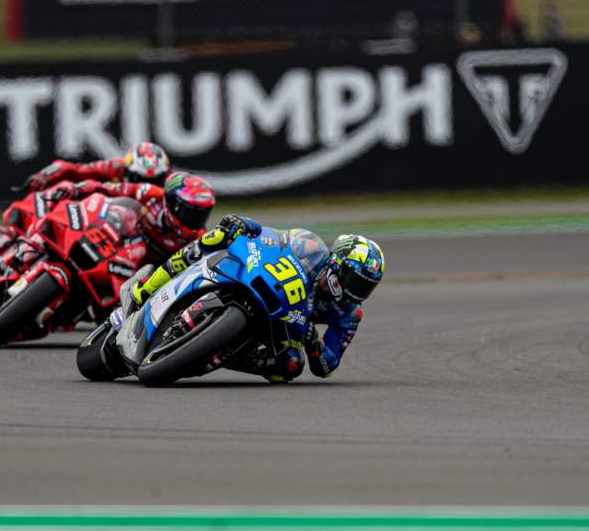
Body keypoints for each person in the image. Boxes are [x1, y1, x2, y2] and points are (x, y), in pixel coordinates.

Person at [125, 215, 385, 382]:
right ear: (336, 263)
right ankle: (149, 286)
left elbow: (327, 365)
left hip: (283, 326)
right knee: (219, 235)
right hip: (261, 281)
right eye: (354, 281)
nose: (354, 292)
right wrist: (246, 225)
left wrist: (314, 342)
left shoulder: (349, 314)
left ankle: (215, 352)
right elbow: (272, 236)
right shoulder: (311, 247)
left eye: (365, 288)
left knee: (291, 366)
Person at [41, 171, 216, 265]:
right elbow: (109, 188)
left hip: (142, 274)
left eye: (202, 214)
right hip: (118, 243)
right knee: (122, 213)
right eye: (190, 211)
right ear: (171, 202)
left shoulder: (199, 238)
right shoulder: (150, 193)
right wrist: (78, 188)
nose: (195, 220)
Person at [26, 141, 171, 192]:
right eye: (140, 179)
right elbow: (76, 169)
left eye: (155, 181)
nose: (145, 186)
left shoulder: (172, 181)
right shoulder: (115, 167)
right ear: (127, 171)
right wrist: (47, 174)